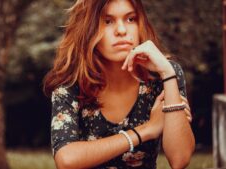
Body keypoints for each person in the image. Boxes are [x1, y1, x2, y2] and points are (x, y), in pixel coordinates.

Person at [43, 0, 195, 168]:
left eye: (131, 19)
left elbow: (180, 160)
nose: (122, 30)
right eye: (107, 21)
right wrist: (147, 130)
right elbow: (66, 160)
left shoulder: (163, 75)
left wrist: (167, 73)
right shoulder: (71, 82)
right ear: (88, 29)